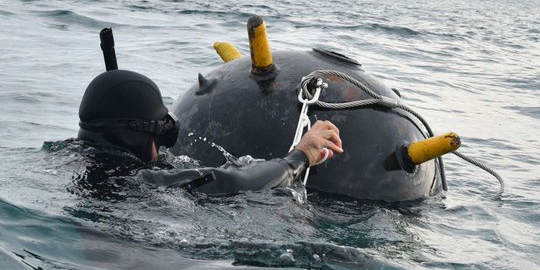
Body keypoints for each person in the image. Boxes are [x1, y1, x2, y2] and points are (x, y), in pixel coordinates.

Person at [77, 68, 343, 196]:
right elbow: (231, 182)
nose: (163, 146)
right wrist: (298, 157)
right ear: (138, 136)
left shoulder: (73, 161)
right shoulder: (144, 182)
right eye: (162, 134)